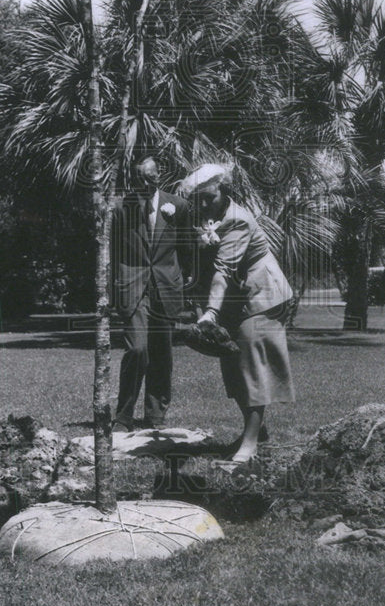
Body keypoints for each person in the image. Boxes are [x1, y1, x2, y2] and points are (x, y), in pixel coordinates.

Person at [180, 163, 295, 463]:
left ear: (224, 190)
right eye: (198, 199)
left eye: (209, 197)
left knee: (251, 367)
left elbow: (223, 271)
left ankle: (252, 442)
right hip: (235, 299)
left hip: (262, 296)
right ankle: (255, 432)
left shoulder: (237, 220)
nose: (204, 204)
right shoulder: (202, 215)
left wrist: (210, 314)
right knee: (234, 369)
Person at [110, 157, 192, 431]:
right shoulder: (121, 208)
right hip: (133, 287)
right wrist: (114, 287)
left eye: (149, 177)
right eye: (138, 178)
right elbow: (111, 251)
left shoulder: (178, 206)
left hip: (166, 286)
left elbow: (187, 248)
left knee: (162, 353)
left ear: (160, 175)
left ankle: (155, 417)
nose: (144, 183)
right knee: (137, 348)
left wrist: (187, 281)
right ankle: (123, 417)